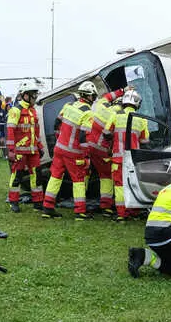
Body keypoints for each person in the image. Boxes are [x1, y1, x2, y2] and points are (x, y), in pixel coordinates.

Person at [42, 81, 95, 220]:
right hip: (73, 152)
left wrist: (58, 138)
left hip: (59, 148)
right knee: (78, 179)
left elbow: (56, 123)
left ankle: (47, 207)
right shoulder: (88, 113)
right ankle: (80, 211)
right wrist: (86, 157)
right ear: (90, 96)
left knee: (55, 177)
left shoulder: (68, 105)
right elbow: (83, 136)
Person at [104, 88, 149, 221]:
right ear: (137, 103)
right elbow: (145, 140)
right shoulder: (142, 119)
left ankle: (121, 214)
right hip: (133, 159)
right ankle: (134, 212)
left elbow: (106, 133)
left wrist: (115, 138)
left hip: (117, 158)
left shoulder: (116, 115)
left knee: (119, 186)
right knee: (133, 184)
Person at [84, 87, 126, 217]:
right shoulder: (119, 115)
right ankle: (106, 205)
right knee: (106, 175)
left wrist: (122, 90)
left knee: (84, 172)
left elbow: (108, 95)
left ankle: (79, 201)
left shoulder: (101, 104)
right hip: (101, 149)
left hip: (88, 143)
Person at [5, 79, 44, 212]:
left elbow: (36, 131)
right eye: (33, 94)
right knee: (17, 176)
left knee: (37, 176)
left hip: (33, 151)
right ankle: (13, 201)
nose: (35, 96)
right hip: (20, 151)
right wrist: (11, 150)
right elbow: (10, 130)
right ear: (25, 95)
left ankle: (38, 202)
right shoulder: (16, 110)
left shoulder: (33, 110)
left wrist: (40, 146)